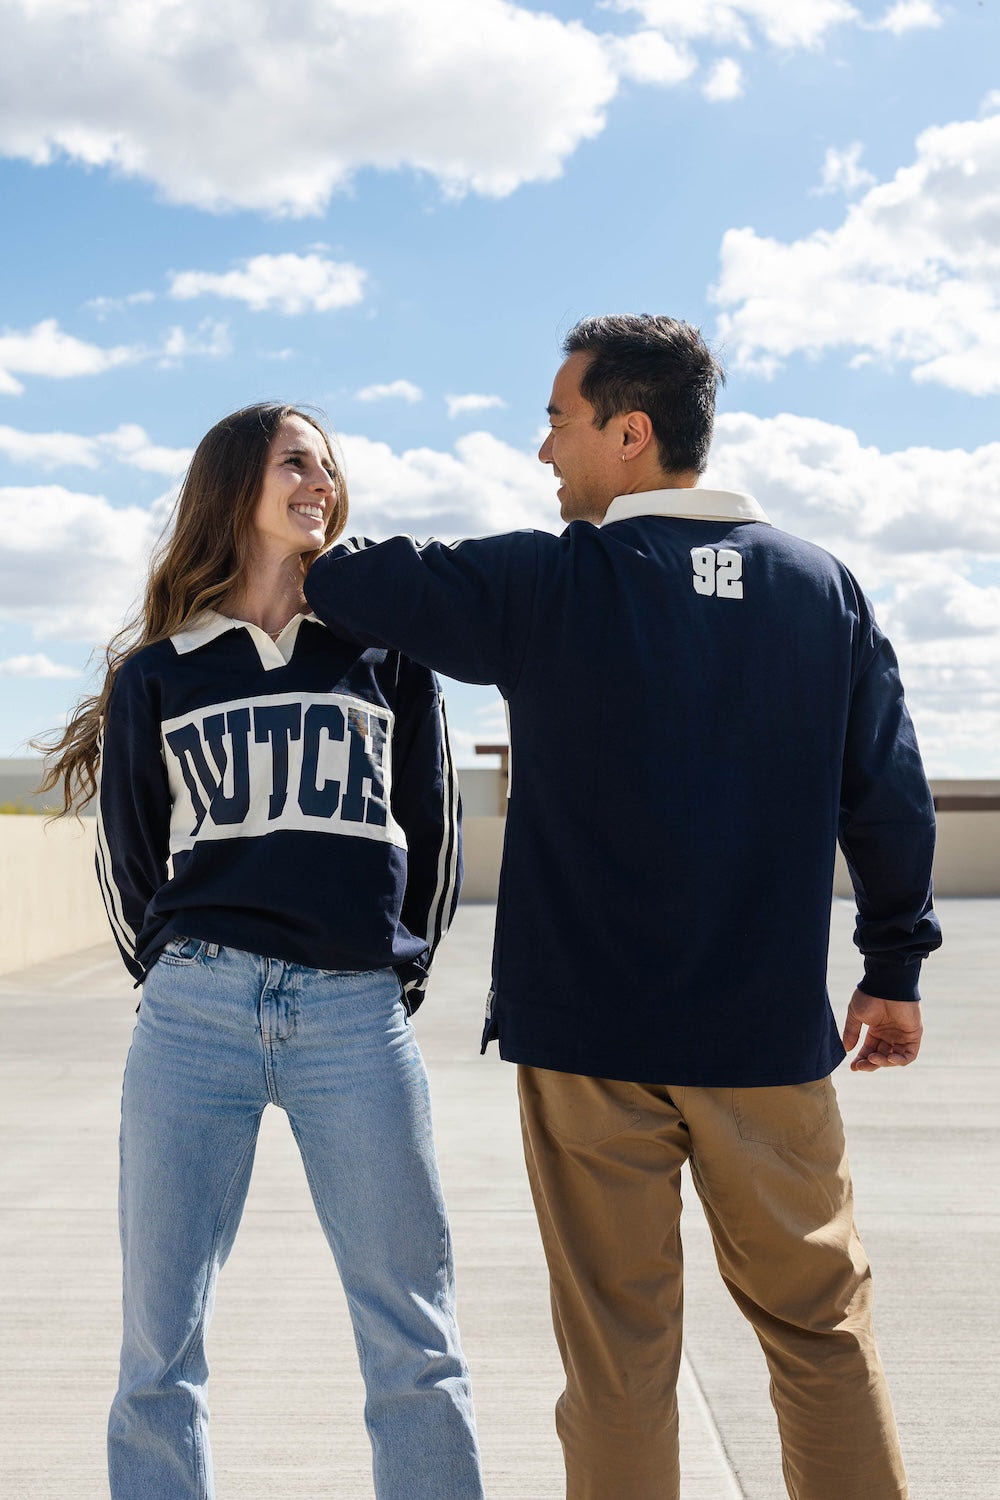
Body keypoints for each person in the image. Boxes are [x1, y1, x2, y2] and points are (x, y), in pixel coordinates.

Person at [300, 316, 941, 1500]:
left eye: (559, 420)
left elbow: (349, 582)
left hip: (589, 1045)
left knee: (617, 1359)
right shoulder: (820, 588)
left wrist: (302, 498)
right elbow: (889, 797)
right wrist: (892, 967)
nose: (545, 450)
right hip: (765, 1049)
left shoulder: (547, 582)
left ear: (628, 433)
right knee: (820, 1337)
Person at [38, 403, 484, 1500]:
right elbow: (131, 858)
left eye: (329, 467)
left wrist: (394, 971)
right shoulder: (161, 673)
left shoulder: (384, 654)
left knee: (413, 1339)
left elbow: (432, 828)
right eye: (295, 461)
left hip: (353, 1018)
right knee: (159, 1351)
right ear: (233, 485)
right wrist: (180, 973)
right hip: (195, 1021)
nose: (320, 481)